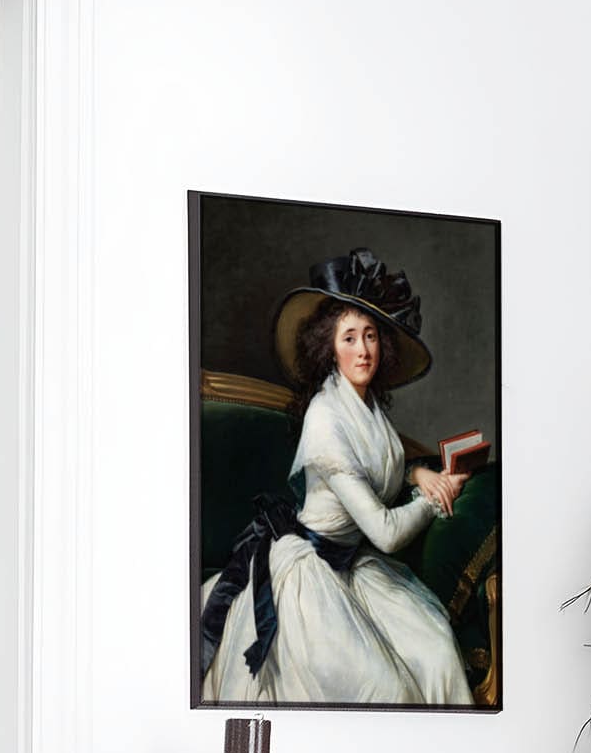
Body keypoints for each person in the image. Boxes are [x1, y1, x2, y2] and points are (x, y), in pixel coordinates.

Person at [201, 249, 475, 706]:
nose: (363, 350)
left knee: (436, 652)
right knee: (382, 688)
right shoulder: (326, 416)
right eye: (349, 337)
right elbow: (386, 534)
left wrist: (422, 472)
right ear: (328, 346)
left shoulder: (370, 411)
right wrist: (434, 498)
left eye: (371, 336)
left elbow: (382, 469)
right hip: (311, 576)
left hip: (356, 570)